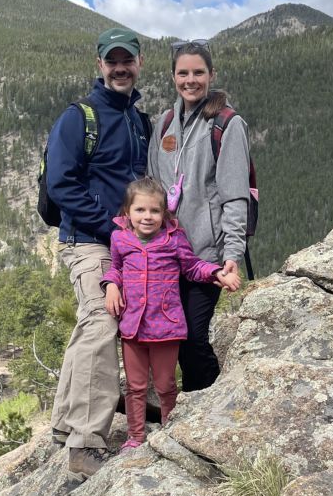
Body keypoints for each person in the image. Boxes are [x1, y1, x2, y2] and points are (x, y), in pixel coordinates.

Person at [46, 26, 149, 481]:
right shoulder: (79, 116)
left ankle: (65, 422)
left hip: (125, 243)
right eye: (113, 61)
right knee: (104, 320)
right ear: (100, 65)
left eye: (127, 60)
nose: (120, 68)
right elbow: (60, 184)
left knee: (94, 321)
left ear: (139, 64)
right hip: (88, 241)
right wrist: (112, 228)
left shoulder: (140, 121)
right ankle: (85, 443)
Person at [102, 177, 239, 450]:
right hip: (133, 326)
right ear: (127, 212)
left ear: (164, 213)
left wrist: (215, 272)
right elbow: (116, 267)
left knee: (165, 385)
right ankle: (136, 437)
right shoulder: (120, 238)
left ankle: (168, 430)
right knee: (135, 386)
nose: (148, 216)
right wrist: (110, 286)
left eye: (155, 210)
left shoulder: (173, 239)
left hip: (166, 326)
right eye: (140, 210)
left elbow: (191, 267)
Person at [147, 39, 250, 392]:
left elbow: (235, 196)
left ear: (211, 75)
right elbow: (152, 190)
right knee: (171, 339)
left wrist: (232, 254)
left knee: (192, 338)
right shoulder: (163, 125)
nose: (190, 80)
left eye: (198, 72)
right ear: (173, 76)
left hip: (207, 254)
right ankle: (192, 406)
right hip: (166, 254)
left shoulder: (226, 124)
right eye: (183, 73)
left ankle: (206, 408)